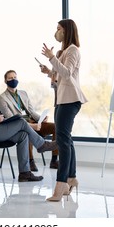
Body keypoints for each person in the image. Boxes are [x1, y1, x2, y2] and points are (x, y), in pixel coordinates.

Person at [40, 19, 88, 201]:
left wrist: (51, 57)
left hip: (70, 100)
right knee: (66, 140)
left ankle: (60, 186)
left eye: (59, 29)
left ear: (66, 31)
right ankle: (71, 178)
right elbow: (61, 76)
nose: (56, 31)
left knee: (63, 142)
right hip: (63, 100)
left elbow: (67, 73)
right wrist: (49, 72)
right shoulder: (66, 51)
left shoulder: (73, 50)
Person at [0, 70, 59, 171]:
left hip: (33, 122)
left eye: (15, 78)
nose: (13, 80)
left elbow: (31, 111)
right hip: (19, 126)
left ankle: (54, 160)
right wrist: (31, 126)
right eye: (10, 78)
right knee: (26, 132)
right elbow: (13, 119)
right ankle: (30, 162)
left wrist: (41, 118)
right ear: (5, 81)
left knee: (55, 127)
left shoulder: (23, 93)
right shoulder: (2, 98)